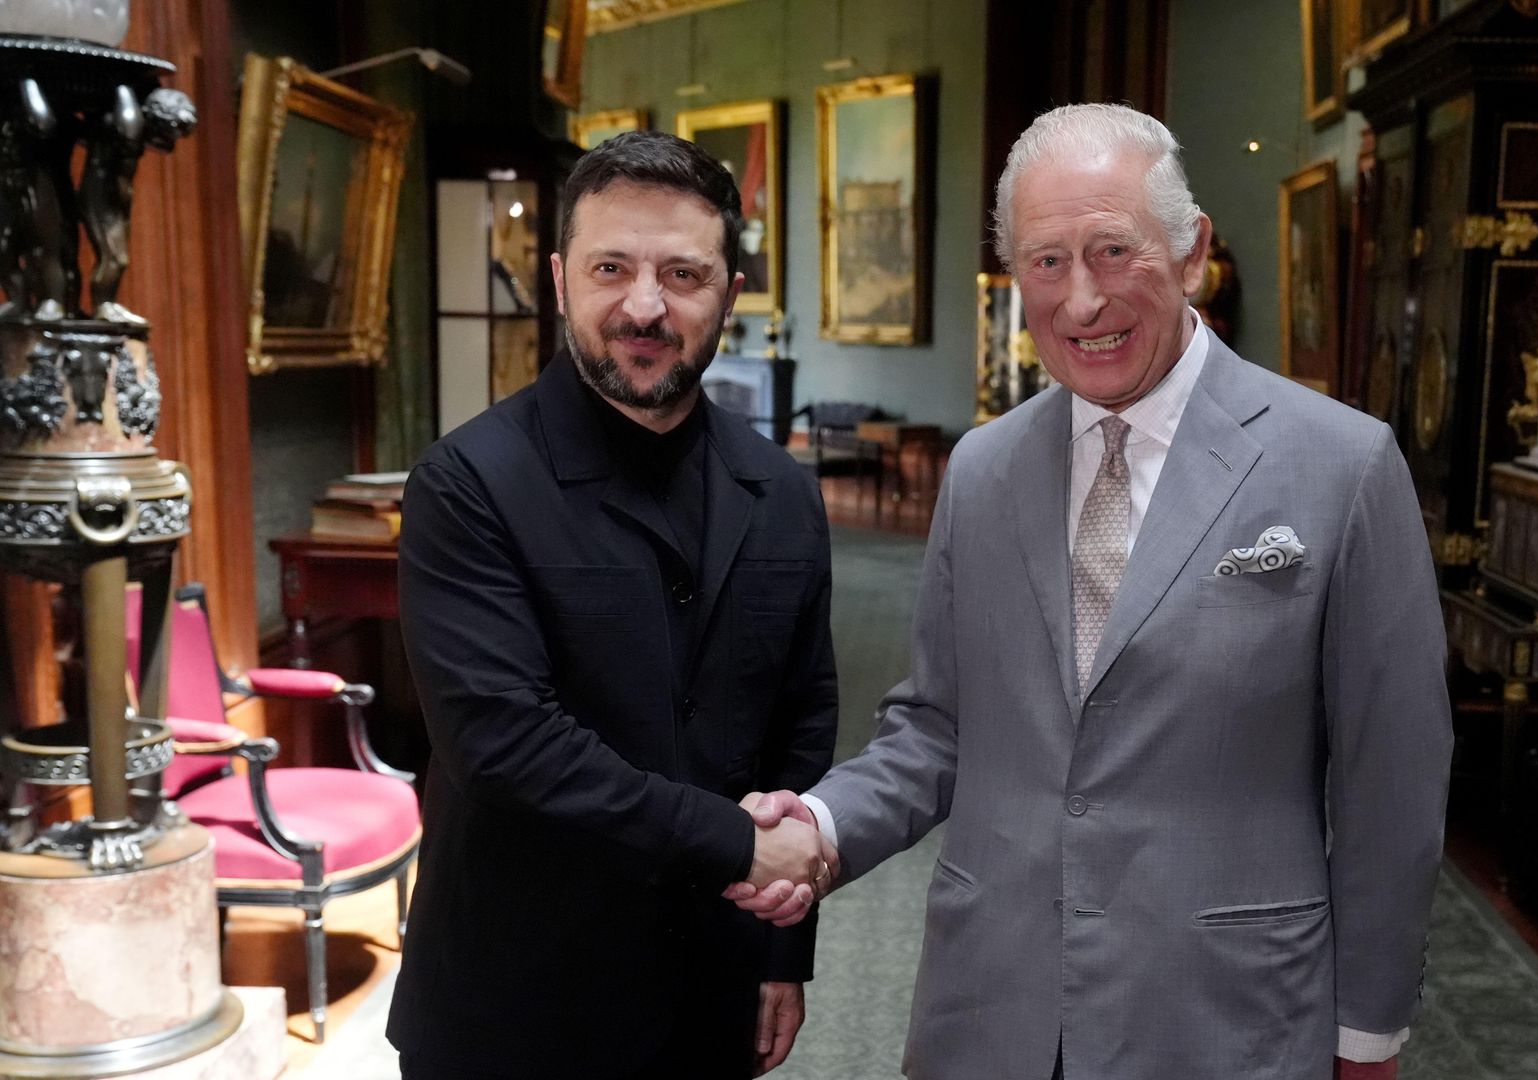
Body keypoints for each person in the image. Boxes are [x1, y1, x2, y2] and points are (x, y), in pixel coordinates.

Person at [729, 104, 1452, 1080]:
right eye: (1046, 262)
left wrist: (1368, 1033)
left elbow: (1391, 782)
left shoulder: (1340, 466)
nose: (1080, 302)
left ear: (1191, 251)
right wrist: (819, 825)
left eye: (1113, 252)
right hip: (994, 1008)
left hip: (1224, 1014)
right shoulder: (982, 471)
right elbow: (937, 728)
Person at [389, 130, 838, 1079]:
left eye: (682, 272)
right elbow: (503, 742)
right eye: (611, 267)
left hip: (711, 992)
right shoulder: (467, 483)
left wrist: (781, 950)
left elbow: (802, 721)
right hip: (513, 1003)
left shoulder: (784, 492)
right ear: (559, 281)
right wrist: (734, 844)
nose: (645, 305)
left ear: (730, 289)